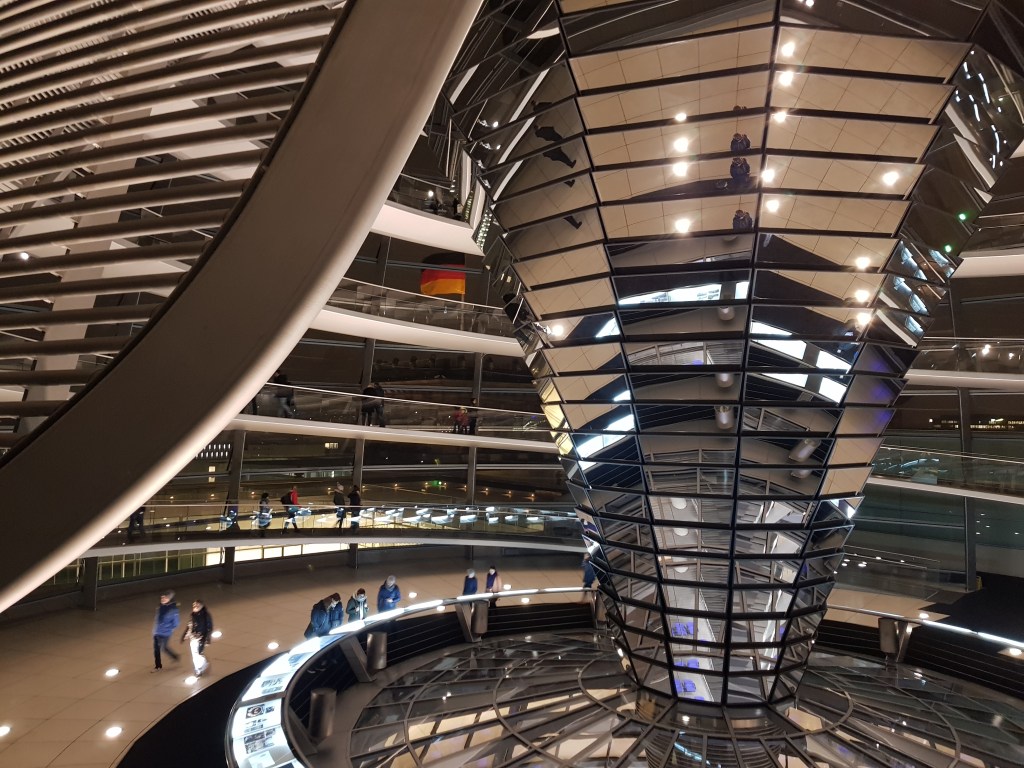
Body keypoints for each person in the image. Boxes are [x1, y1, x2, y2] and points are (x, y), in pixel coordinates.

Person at [180, 599, 213, 677]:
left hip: (201, 637)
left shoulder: (206, 615)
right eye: (194, 605)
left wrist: (207, 639)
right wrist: (185, 635)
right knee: (194, 655)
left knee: (199, 653)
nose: (195, 607)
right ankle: (198, 670)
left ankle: (204, 664)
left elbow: (209, 627)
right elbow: (190, 625)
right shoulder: (192, 615)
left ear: (201, 606)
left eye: (197, 605)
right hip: (193, 637)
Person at [152, 590, 180, 671]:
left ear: (169, 599)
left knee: (164, 648)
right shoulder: (160, 606)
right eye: (162, 597)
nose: (162, 599)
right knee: (156, 649)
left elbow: (176, 623)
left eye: (165, 598)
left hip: (166, 633)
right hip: (157, 631)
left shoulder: (173, 609)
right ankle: (158, 666)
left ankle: (175, 656)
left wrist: (168, 627)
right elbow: (157, 617)